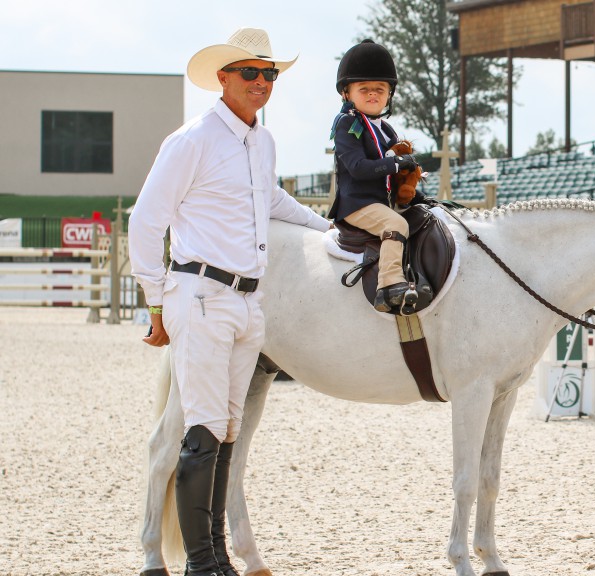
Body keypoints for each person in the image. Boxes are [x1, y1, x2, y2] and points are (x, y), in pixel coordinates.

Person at [128, 28, 330, 576]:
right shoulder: (191, 140)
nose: (262, 83)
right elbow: (145, 222)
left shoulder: (261, 143)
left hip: (246, 299)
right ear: (223, 78)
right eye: (250, 73)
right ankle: (199, 563)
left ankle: (215, 554)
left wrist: (328, 230)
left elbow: (273, 197)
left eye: (269, 75)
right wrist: (154, 302)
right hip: (199, 293)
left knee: (229, 432)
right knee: (201, 429)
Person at [328, 39, 423, 313]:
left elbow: (395, 177)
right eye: (365, 89)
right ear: (347, 93)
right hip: (357, 204)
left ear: (389, 94)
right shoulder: (347, 125)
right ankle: (389, 284)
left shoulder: (386, 130)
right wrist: (394, 164)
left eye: (379, 90)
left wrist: (418, 196)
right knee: (396, 225)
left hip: (381, 201)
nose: (373, 95)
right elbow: (358, 168)